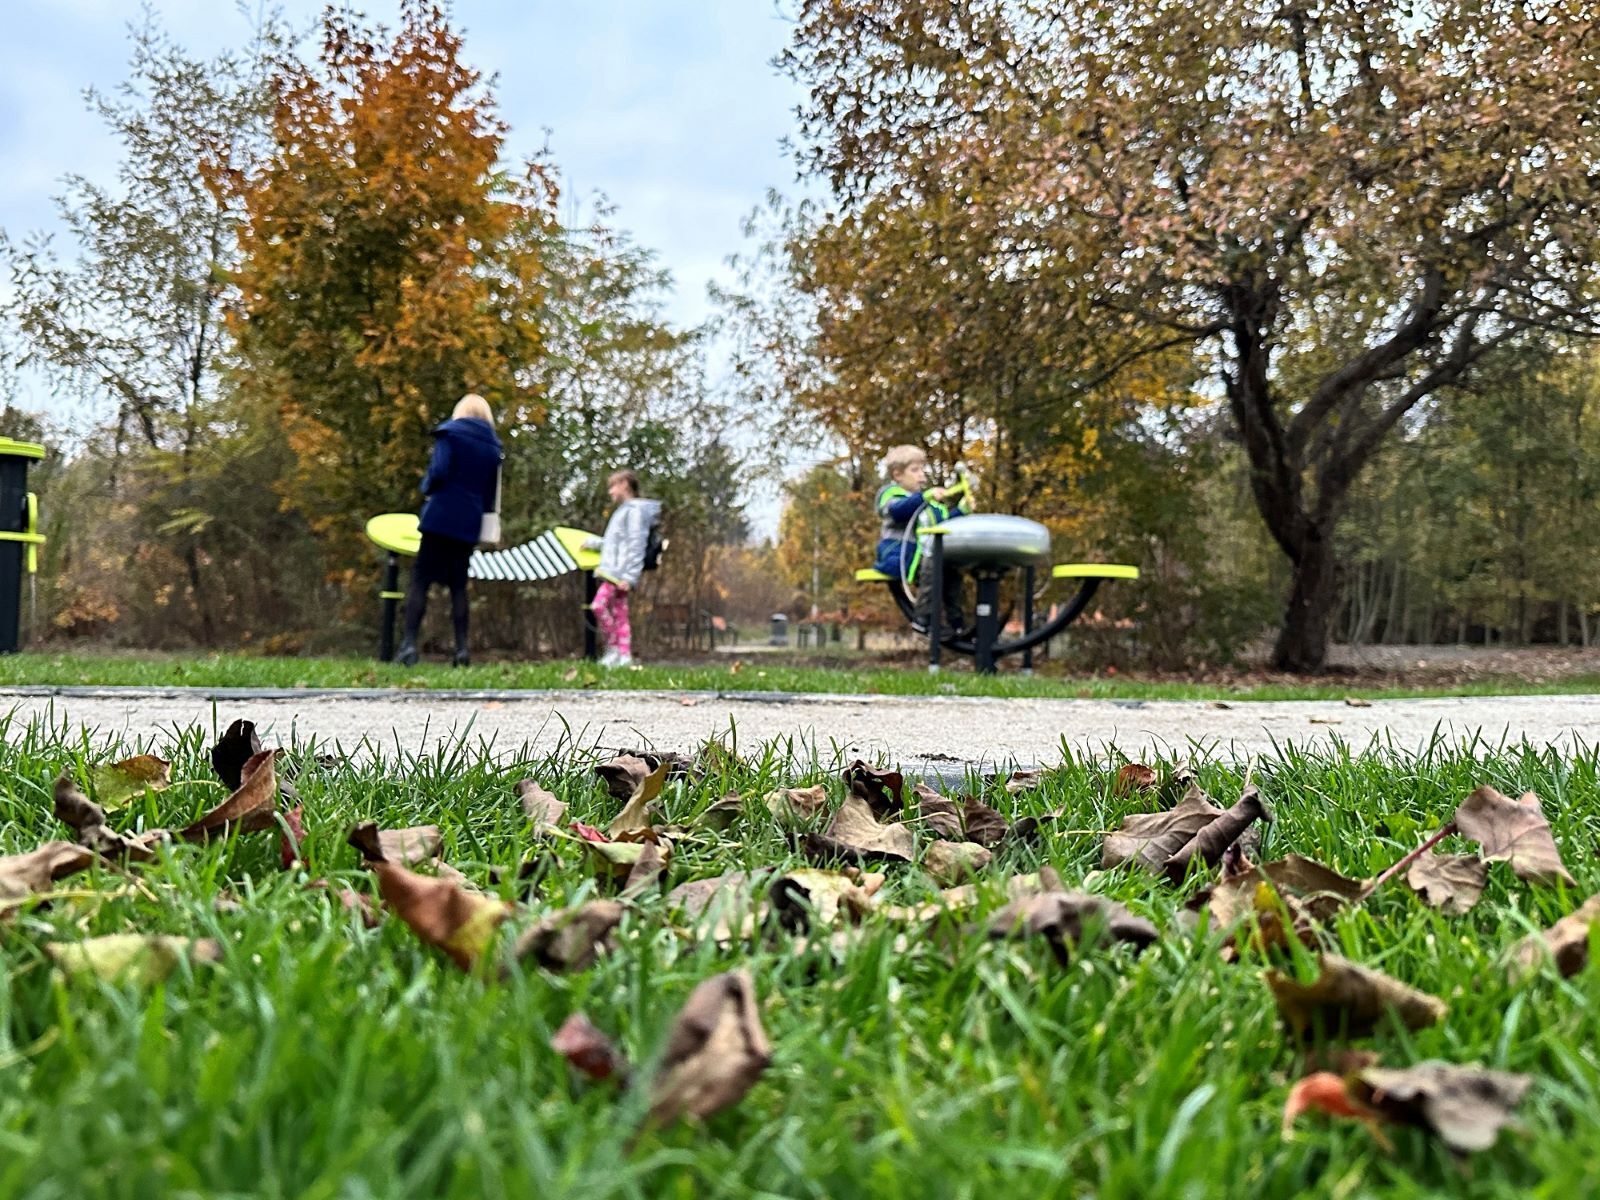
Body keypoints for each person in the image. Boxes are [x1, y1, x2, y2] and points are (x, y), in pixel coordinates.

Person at [396, 394, 503, 668]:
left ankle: (408, 645)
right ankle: (462, 650)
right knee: (458, 586)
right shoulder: (493, 447)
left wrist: (427, 487)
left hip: (441, 514)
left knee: (421, 579)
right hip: (470, 520)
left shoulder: (450, 433)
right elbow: (490, 492)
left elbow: (439, 471)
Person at [873, 444, 971, 635]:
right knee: (933, 565)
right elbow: (898, 511)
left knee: (952, 568)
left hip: (921, 557)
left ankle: (956, 621)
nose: (922, 475)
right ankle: (923, 618)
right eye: (915, 470)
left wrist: (961, 511)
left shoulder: (929, 505)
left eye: (923, 469)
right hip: (899, 557)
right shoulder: (890, 495)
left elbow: (942, 526)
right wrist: (925, 496)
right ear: (897, 475)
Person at [585, 469, 661, 667]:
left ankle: (615, 649)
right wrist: (594, 544)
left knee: (598, 606)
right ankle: (624, 656)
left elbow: (636, 544)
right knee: (620, 614)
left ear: (625, 484)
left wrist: (630, 576)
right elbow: (616, 542)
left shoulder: (634, 511)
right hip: (615, 571)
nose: (610, 492)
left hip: (618, 574)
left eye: (613, 486)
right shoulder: (625, 511)